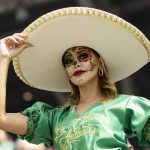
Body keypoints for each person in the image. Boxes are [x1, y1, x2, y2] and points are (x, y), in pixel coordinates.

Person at [0, 7, 150, 150]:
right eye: (68, 61)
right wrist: (3, 58)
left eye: (83, 56)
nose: (76, 64)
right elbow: (2, 119)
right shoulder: (52, 119)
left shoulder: (127, 106)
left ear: (99, 63)